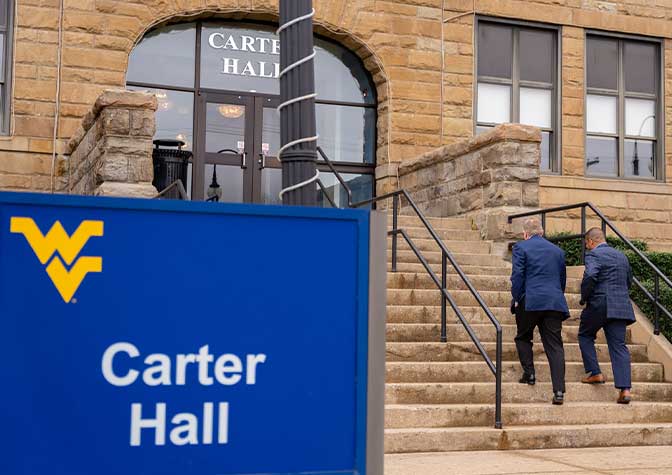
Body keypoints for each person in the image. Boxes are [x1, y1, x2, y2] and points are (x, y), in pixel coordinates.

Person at [511, 217, 570, 405]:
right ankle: (559, 391)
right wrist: (556, 296)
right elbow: (562, 279)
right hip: (554, 302)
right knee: (555, 346)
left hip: (530, 300)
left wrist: (517, 297)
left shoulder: (521, 248)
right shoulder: (558, 251)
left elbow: (517, 276)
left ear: (525, 234)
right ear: (542, 232)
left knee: (523, 336)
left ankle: (529, 374)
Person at [578, 227, 635, 404]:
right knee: (619, 346)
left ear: (591, 242)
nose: (587, 247)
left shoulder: (594, 255)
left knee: (585, 335)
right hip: (620, 306)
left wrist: (584, 297)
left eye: (587, 244)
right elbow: (628, 281)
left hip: (599, 304)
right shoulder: (621, 256)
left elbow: (590, 276)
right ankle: (625, 390)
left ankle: (595, 373)